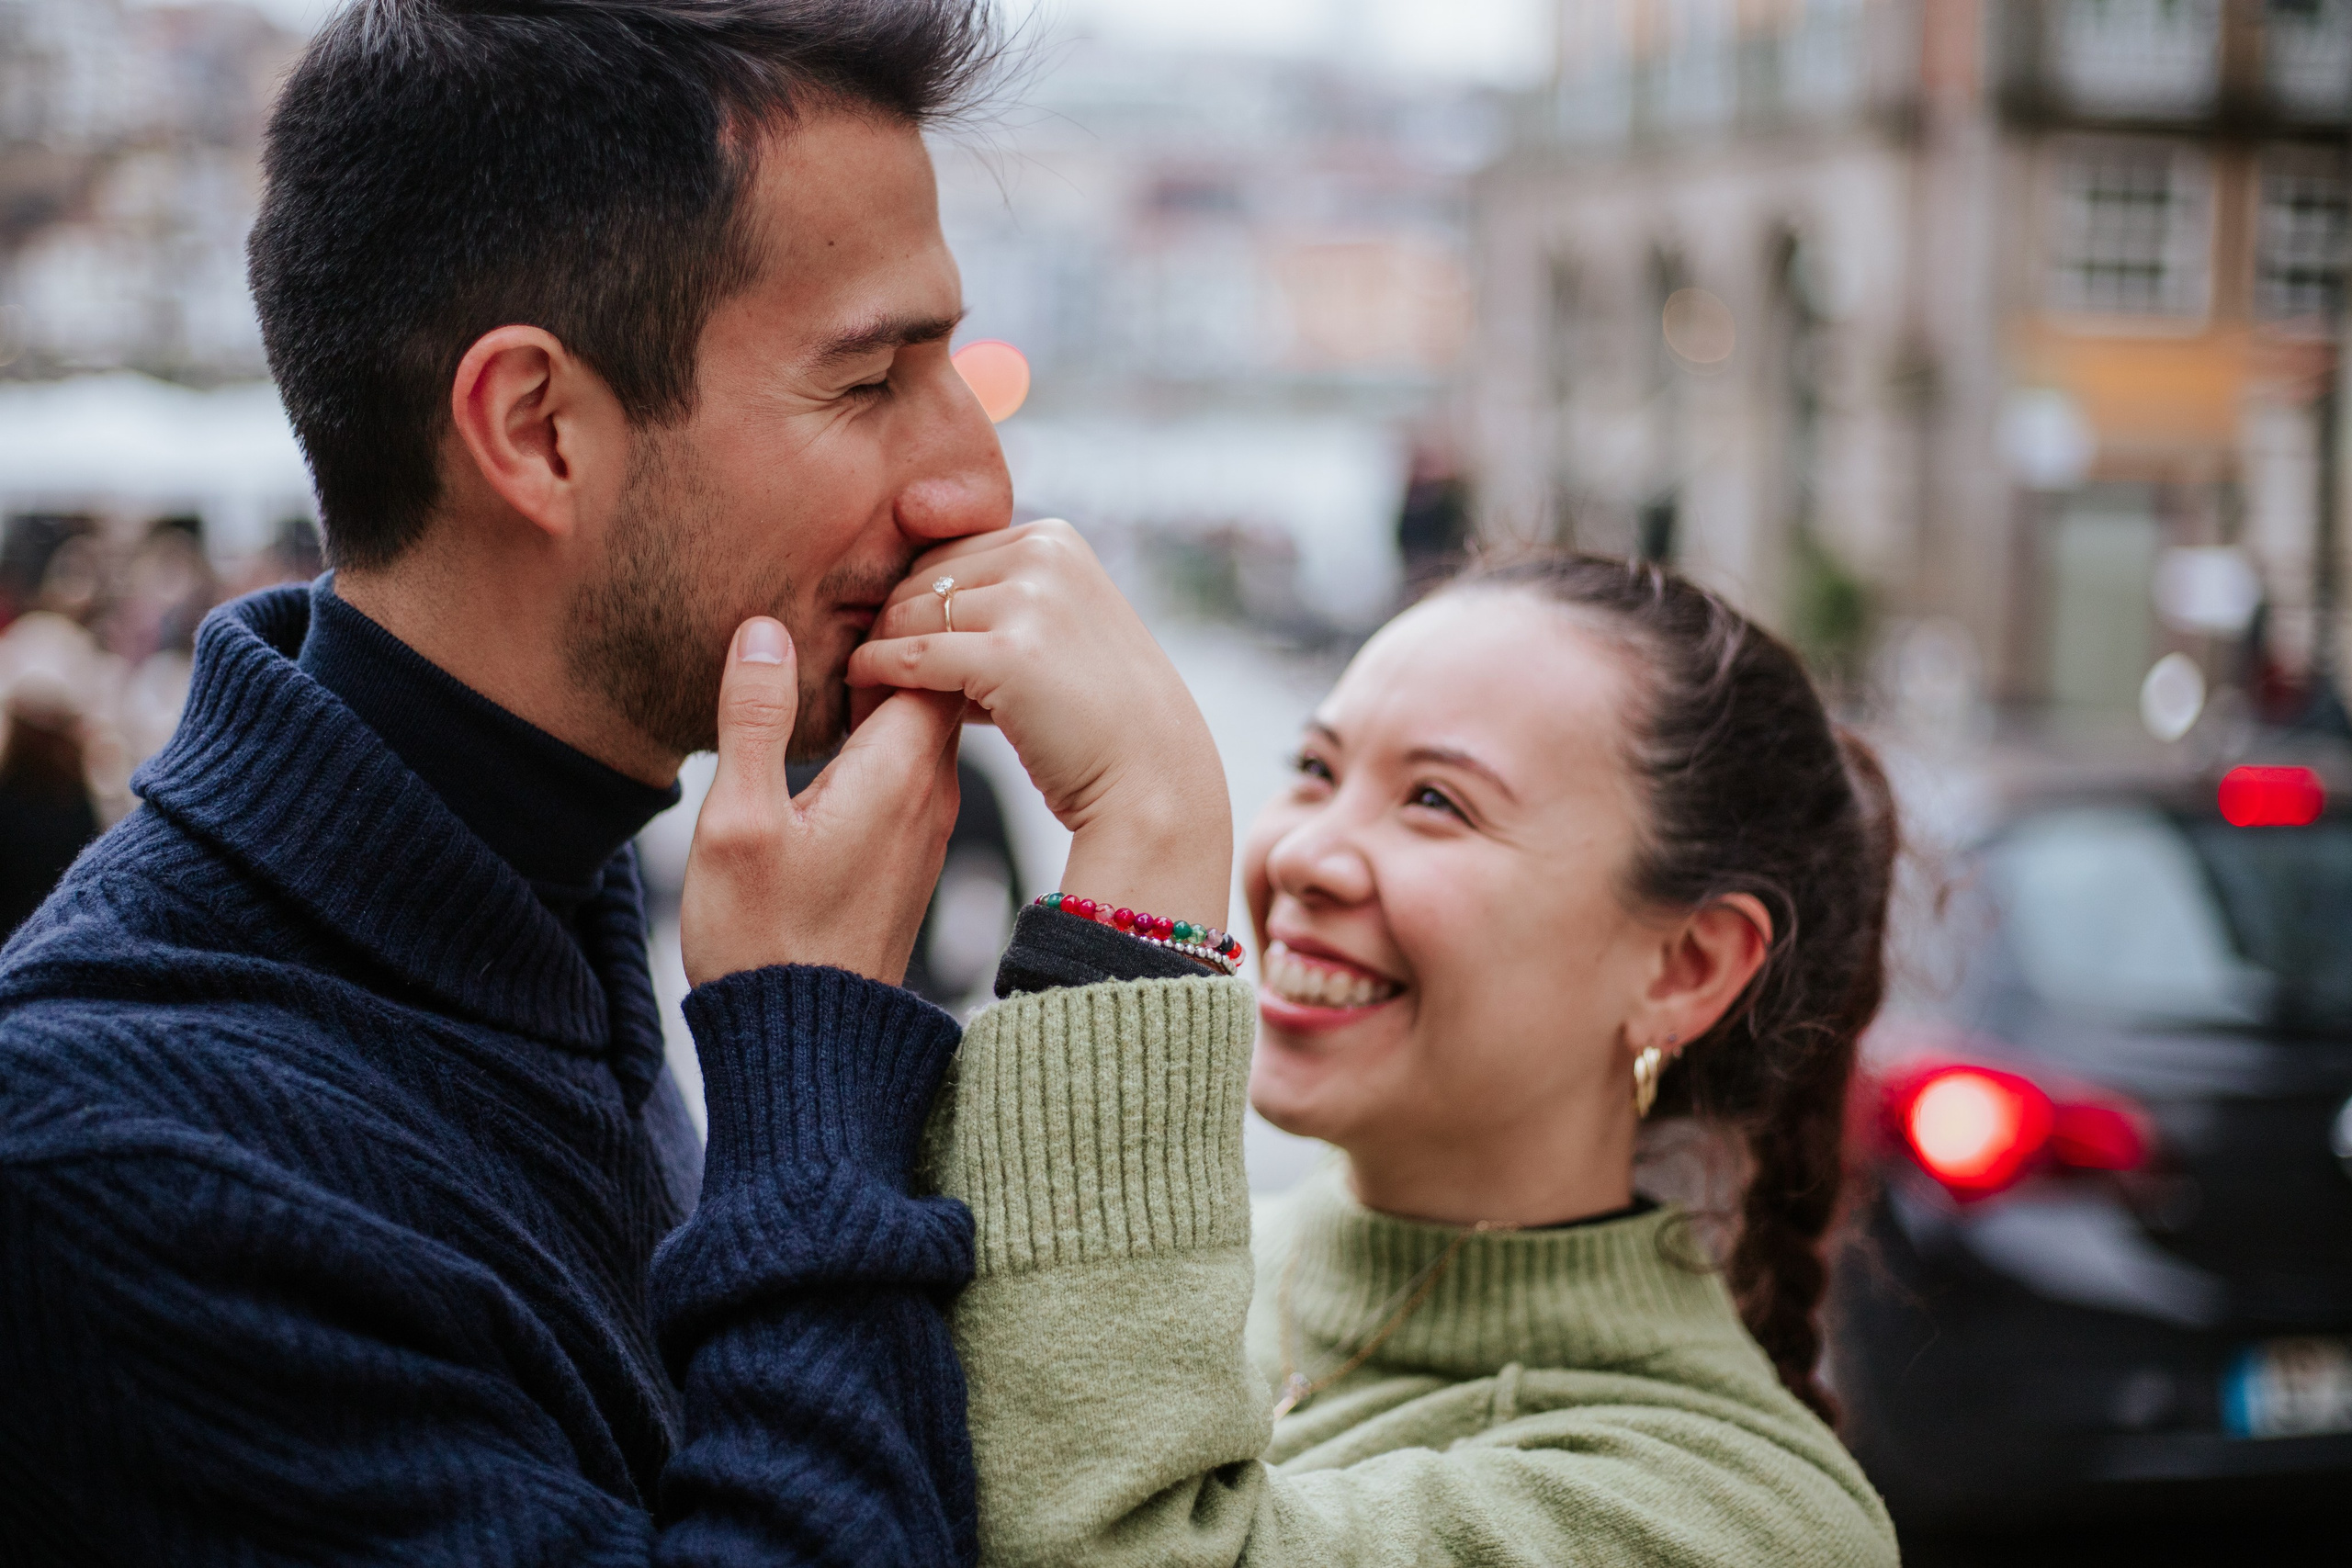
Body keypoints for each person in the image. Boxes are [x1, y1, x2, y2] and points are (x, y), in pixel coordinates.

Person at [0, 2, 1238, 1563]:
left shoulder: (535, 902)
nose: (975, 481)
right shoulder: (116, 1157)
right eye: (869, 380)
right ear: (538, 432)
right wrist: (810, 1038)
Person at [904, 553, 1904, 1566]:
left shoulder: (1741, 1519)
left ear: (1683, 966)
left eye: (1435, 800)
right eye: (1316, 771)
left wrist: (1144, 849)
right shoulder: (1179, 1259)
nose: (1300, 855)